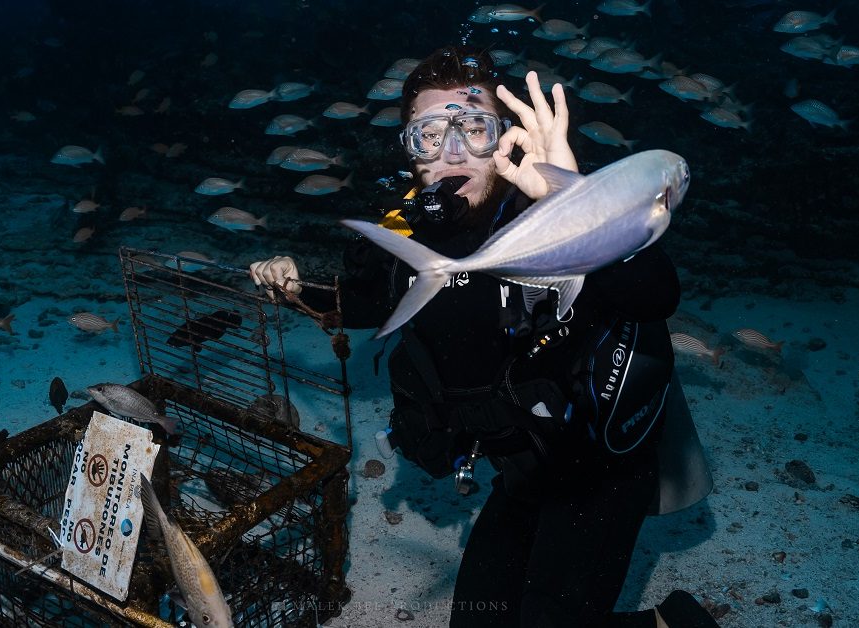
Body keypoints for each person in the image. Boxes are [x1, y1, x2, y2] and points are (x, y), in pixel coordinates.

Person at [250, 47, 718, 628]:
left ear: (503, 143)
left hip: (599, 471)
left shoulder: (548, 217)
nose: (451, 152)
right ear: (409, 151)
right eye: (429, 133)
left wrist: (579, 204)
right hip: (522, 470)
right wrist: (297, 289)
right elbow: (368, 302)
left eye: (473, 128)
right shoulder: (412, 231)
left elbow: (654, 294)